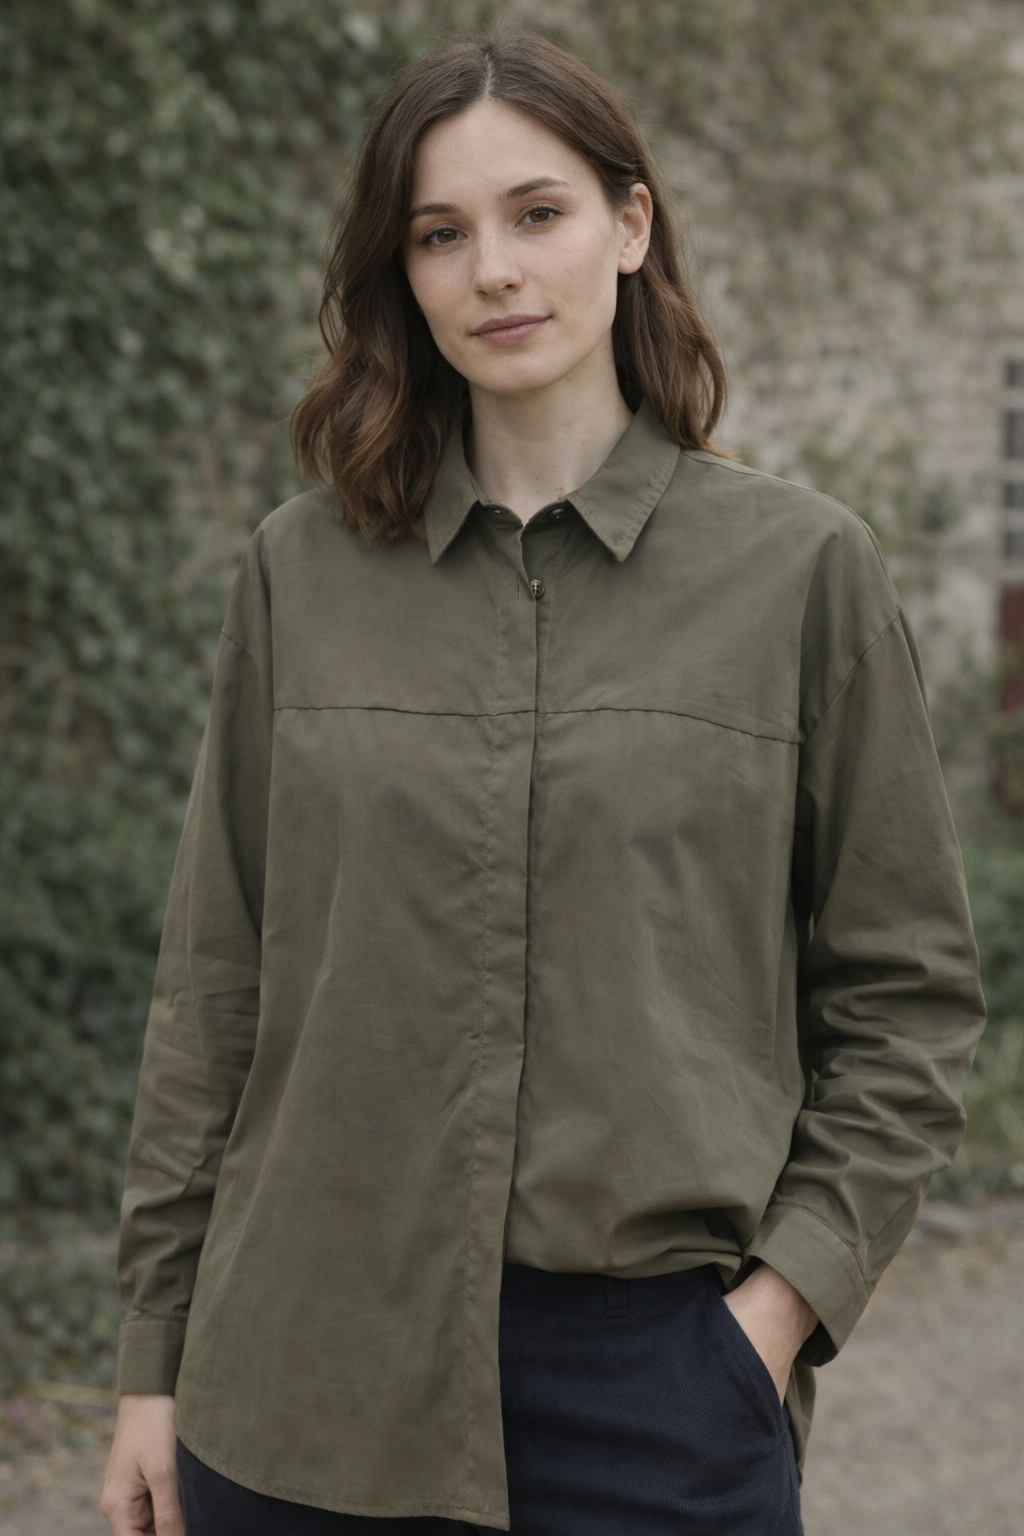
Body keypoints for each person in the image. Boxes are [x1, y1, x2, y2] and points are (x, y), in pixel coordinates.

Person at [101, 30, 986, 1536]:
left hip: (657, 1391)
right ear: (405, 273)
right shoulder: (298, 573)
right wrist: (148, 1368)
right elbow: (215, 987)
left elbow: (907, 996)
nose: (493, 270)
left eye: (538, 214)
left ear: (629, 227)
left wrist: (770, 1316)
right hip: (300, 1374)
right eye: (441, 234)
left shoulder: (801, 575)